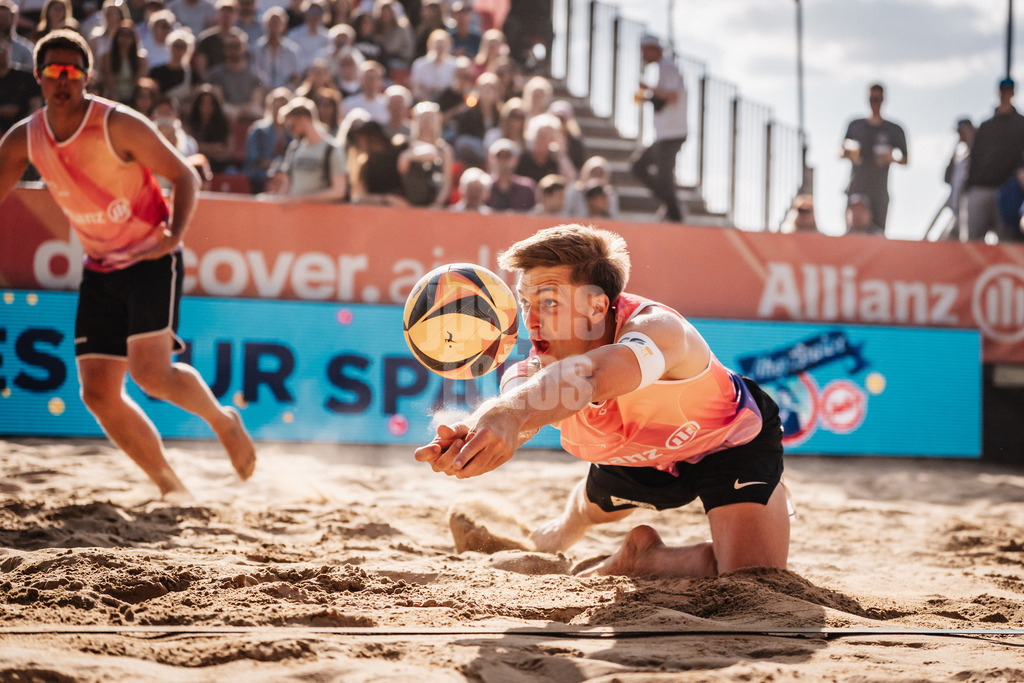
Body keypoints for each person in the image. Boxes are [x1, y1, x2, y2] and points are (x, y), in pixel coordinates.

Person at [415, 224, 790, 578]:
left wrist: (508, 414)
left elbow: (588, 377)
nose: (529, 321)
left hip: (729, 443)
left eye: (548, 303)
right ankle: (560, 535)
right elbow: (518, 411)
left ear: (596, 308)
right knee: (587, 510)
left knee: (751, 575)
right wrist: (476, 434)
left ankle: (637, 562)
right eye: (524, 303)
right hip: (635, 456)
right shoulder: (530, 373)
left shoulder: (659, 330)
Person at [0, 30, 256, 501]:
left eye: (72, 71)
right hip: (99, 265)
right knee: (96, 392)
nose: (63, 80)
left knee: (151, 375)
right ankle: (171, 486)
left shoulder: (117, 123)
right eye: (53, 71)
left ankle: (223, 421)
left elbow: (183, 174)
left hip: (149, 256)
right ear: (37, 76)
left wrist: (174, 237)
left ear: (87, 76)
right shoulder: (26, 139)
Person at [631, 33, 687, 223]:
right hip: (666, 134)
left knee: (662, 177)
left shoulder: (667, 67)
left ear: (653, 49)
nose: (642, 56)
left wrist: (648, 89)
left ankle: (675, 213)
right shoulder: (664, 68)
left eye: (644, 51)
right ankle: (671, 207)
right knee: (640, 167)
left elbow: (673, 96)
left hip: (672, 134)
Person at [960, 77, 1024, 243]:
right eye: (1003, 90)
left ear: (1013, 93)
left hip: (1007, 191)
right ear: (998, 92)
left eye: (1009, 91)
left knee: (1007, 243)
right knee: (972, 243)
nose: (1005, 94)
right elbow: (975, 157)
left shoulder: (1021, 123)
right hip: (980, 189)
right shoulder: (986, 125)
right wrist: (968, 187)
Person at [839, 82, 908, 233]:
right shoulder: (855, 125)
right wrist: (849, 153)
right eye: (872, 99)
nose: (874, 103)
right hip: (857, 186)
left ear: (883, 100)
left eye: (877, 99)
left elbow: (905, 159)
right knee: (852, 233)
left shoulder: (894, 129)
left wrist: (891, 157)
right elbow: (841, 151)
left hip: (879, 190)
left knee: (878, 235)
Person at [270, 95, 347, 201]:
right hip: (295, 215)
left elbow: (338, 191)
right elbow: (286, 186)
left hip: (321, 215)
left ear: (304, 120)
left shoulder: (331, 149)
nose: (290, 131)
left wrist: (301, 199)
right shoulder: (294, 148)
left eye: (291, 125)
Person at [939, 118, 973, 240]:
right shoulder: (959, 157)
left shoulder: (976, 153)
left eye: (963, 131)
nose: (961, 135)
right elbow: (947, 178)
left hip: (969, 207)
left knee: (967, 240)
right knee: (947, 240)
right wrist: (954, 150)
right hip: (956, 209)